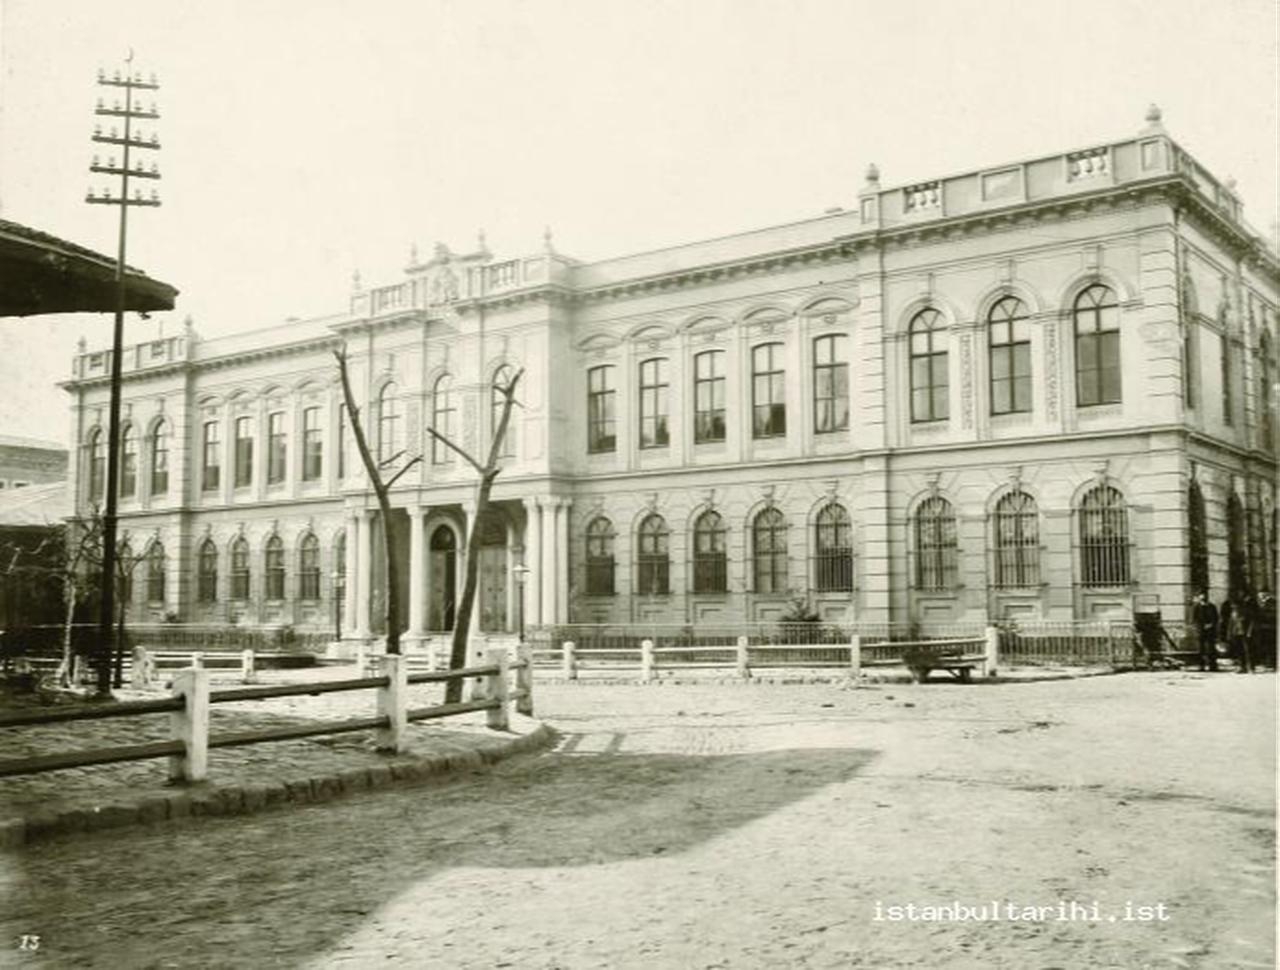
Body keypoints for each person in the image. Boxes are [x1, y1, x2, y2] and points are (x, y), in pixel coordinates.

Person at [1192, 592, 1219, 672]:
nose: (1202, 598)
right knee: (1201, 649)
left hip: (1210, 630)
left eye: (1204, 597)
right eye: (1201, 597)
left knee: (1211, 648)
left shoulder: (1212, 606)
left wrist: (1211, 624)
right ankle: (1201, 665)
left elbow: (1216, 618)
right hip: (1201, 630)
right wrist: (1199, 627)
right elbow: (1195, 619)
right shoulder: (1197, 607)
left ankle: (1213, 666)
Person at [1251, 592, 1276, 671]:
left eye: (1263, 597)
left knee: (1270, 647)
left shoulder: (1272, 608)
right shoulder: (1258, 608)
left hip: (1270, 630)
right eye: (1260, 598)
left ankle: (1271, 663)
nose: (1262, 599)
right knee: (1263, 646)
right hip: (1262, 630)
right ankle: (1266, 662)